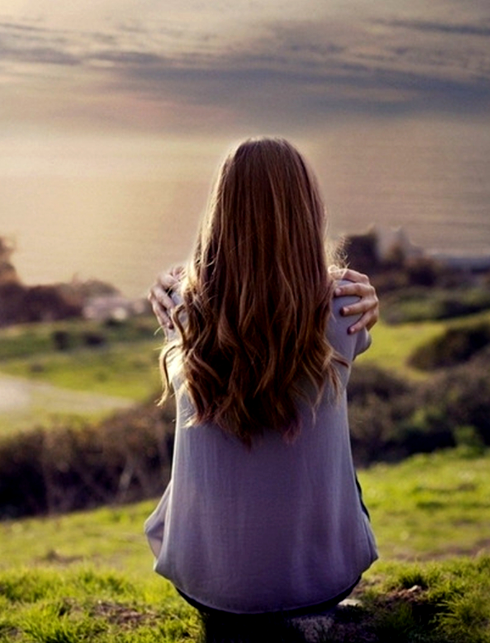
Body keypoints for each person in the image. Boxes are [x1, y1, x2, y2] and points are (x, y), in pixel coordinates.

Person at [144, 137, 379, 642]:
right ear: (307, 211)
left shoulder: (182, 308)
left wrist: (172, 284)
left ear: (220, 212)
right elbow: (352, 328)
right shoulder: (345, 307)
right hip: (321, 586)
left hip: (205, 585)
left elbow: (195, 288)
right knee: (345, 475)